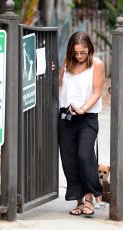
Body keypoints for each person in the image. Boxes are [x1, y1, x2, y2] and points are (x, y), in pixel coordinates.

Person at [59, 31, 105, 216]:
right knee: (69, 160)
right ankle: (79, 201)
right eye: (75, 53)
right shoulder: (67, 63)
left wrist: (83, 109)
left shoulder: (97, 64)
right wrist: (56, 73)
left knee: (85, 156)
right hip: (66, 118)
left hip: (87, 117)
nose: (79, 56)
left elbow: (97, 92)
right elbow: (61, 87)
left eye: (83, 53)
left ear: (90, 50)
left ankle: (90, 198)